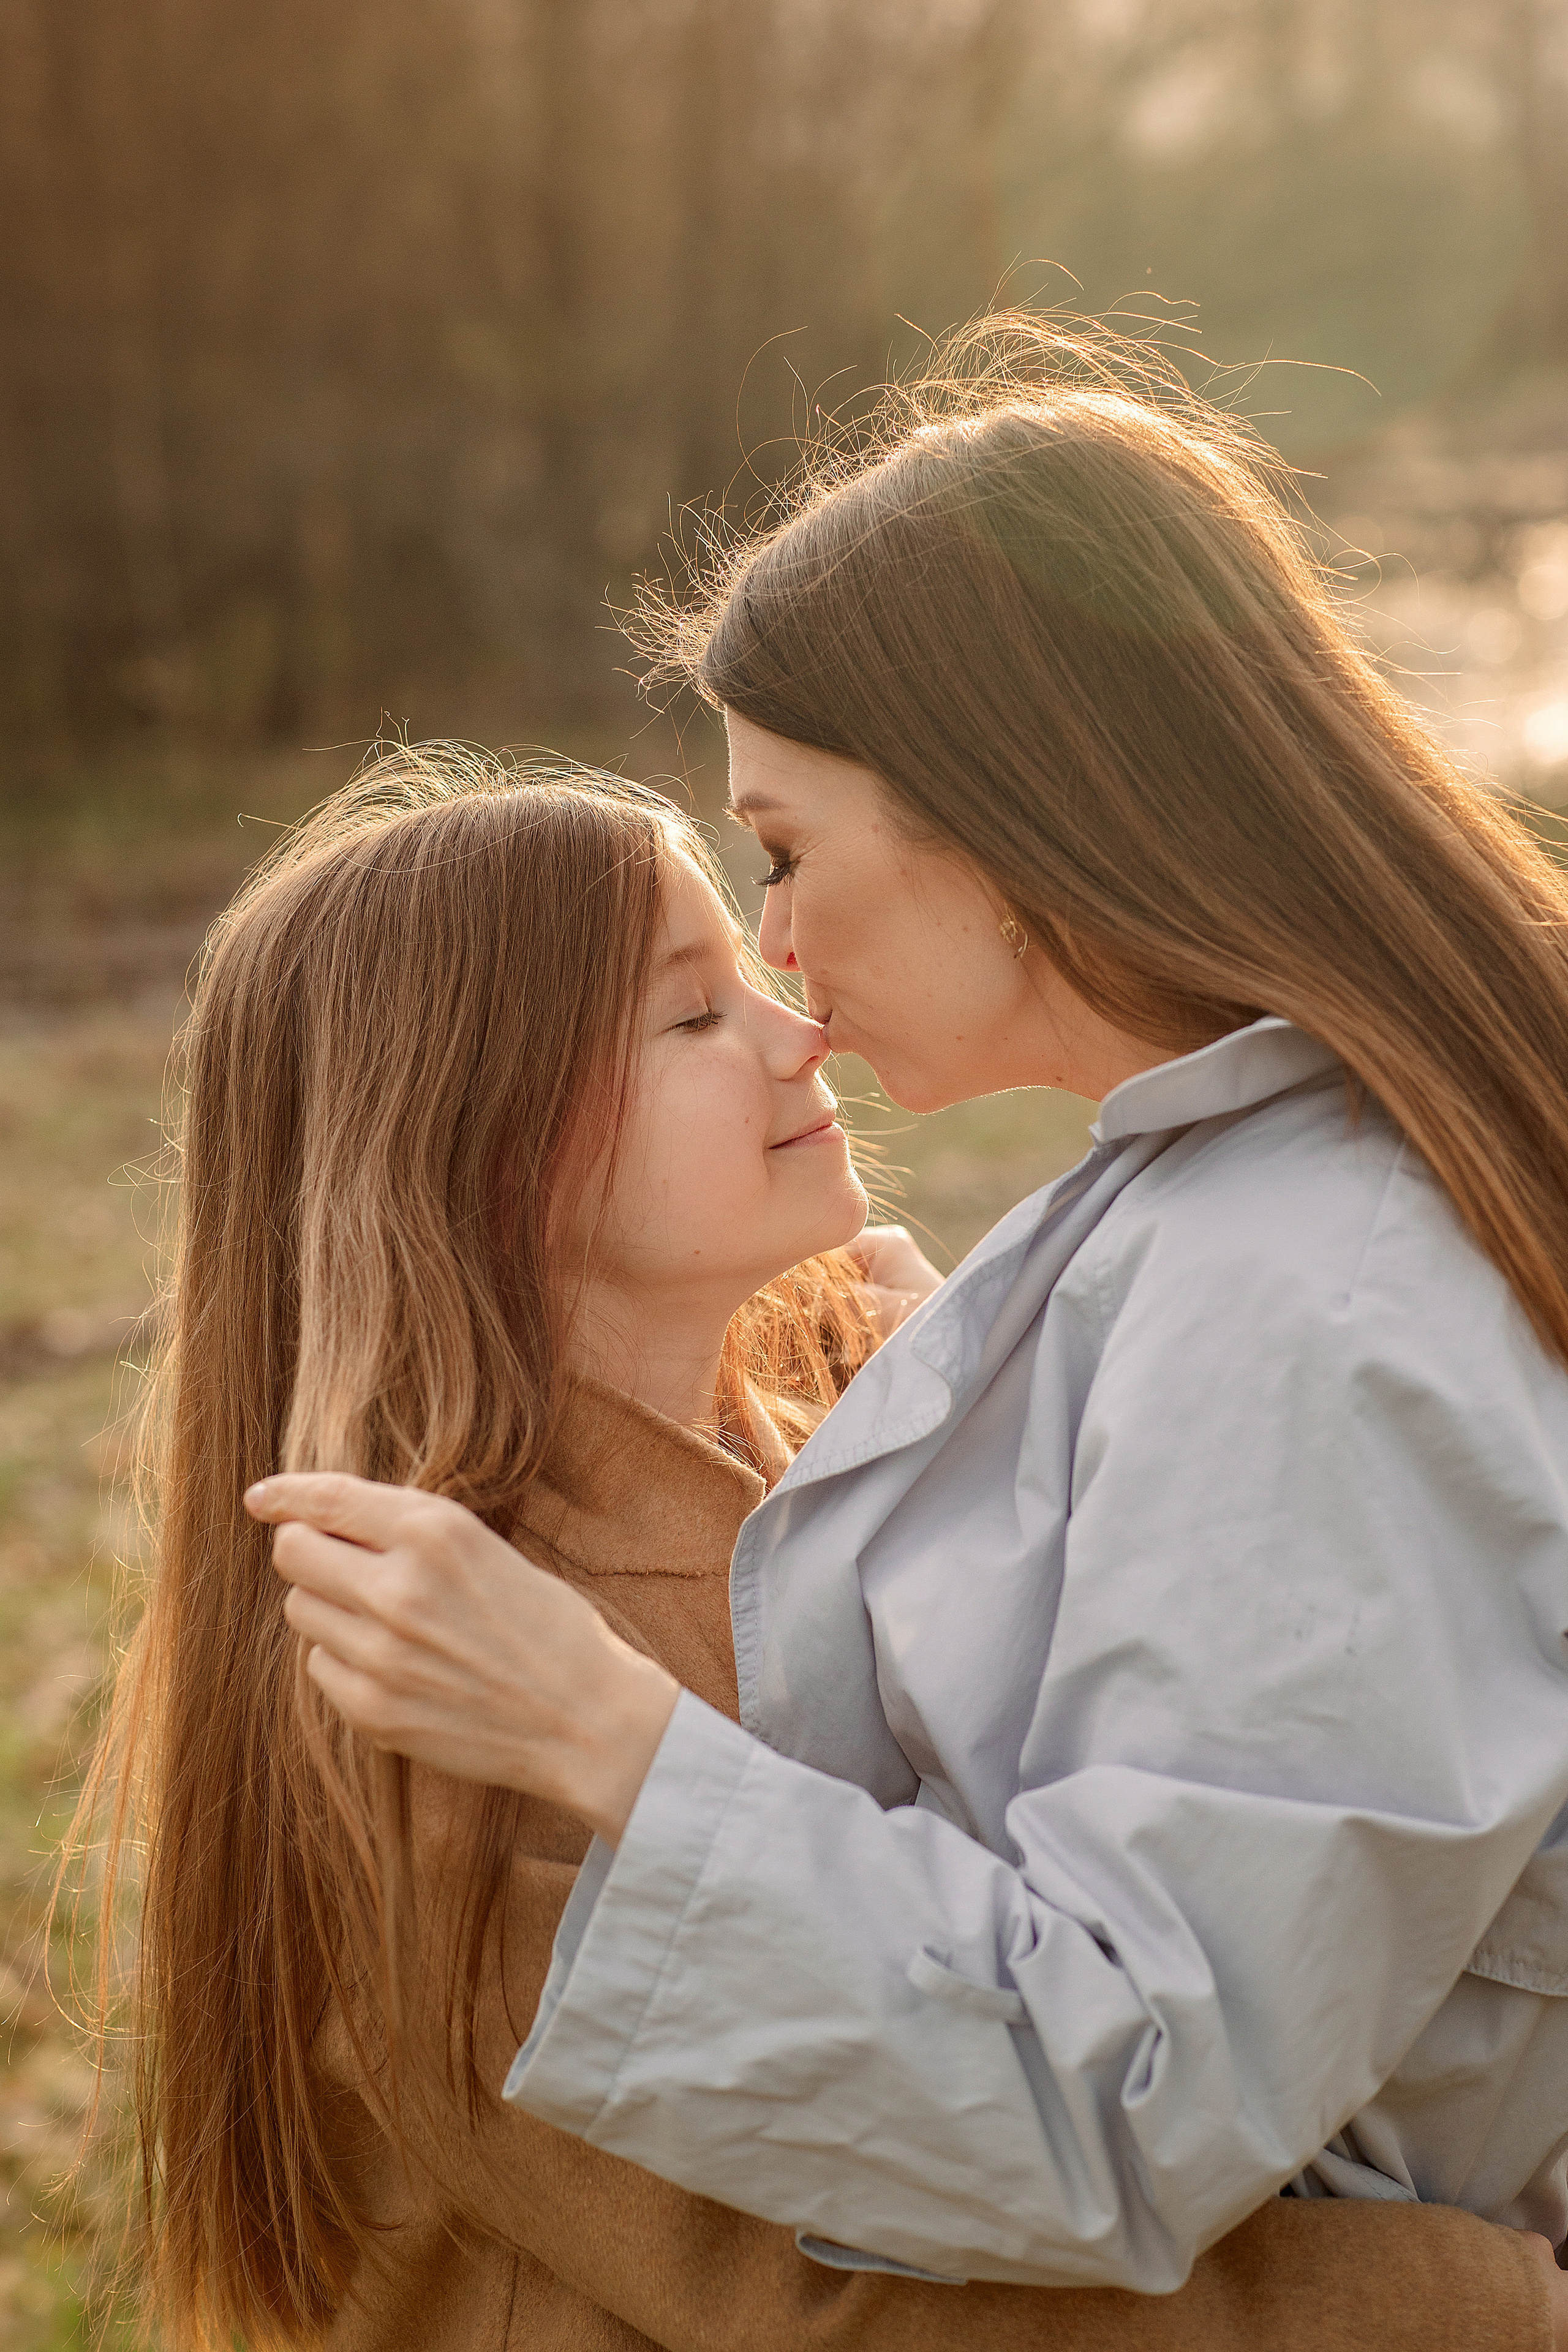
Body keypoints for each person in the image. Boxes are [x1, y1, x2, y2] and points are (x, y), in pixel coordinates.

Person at [258, 318, 1568, 2316]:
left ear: (1012, 816)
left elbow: (1119, 2090)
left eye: (784, 852)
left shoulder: (1311, 1287)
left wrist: (613, 1740)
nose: (782, 959)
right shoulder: (1240, 1225)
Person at [69, 744, 1547, 2351]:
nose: (801, 1029)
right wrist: (1491, 2298)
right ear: (487, 1152)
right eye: (695, 1016)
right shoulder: (446, 1671)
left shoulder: (833, 1452)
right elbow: (857, 2301)